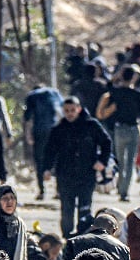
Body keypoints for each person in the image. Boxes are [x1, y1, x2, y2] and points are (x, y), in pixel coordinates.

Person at [42, 96, 114, 237]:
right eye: (67, 110)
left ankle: (83, 234)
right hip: (65, 174)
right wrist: (47, 169)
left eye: (72, 110)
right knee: (67, 208)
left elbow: (106, 142)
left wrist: (102, 161)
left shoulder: (91, 125)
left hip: (87, 174)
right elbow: (49, 150)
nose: (70, 113)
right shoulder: (58, 129)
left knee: (85, 208)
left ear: (79, 109)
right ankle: (67, 236)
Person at [100, 65, 140, 202]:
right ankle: (124, 192)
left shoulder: (117, 92)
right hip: (133, 129)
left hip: (119, 129)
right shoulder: (139, 94)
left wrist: (117, 75)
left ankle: (120, 187)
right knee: (130, 162)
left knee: (120, 160)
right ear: (134, 77)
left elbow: (108, 85)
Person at [23, 84, 64, 200]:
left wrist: (28, 134)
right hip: (54, 130)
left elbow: (27, 117)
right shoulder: (55, 93)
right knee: (57, 160)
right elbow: (61, 112)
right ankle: (59, 191)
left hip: (39, 131)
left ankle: (42, 191)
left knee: (39, 160)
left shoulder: (32, 96)